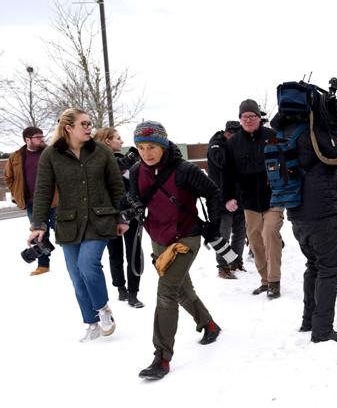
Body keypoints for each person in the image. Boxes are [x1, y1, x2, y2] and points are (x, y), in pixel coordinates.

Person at [129, 121, 222, 380]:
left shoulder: (184, 170)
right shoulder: (137, 171)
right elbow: (134, 196)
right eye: (141, 147)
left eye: (152, 147)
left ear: (164, 145)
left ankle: (162, 357)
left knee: (166, 292)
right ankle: (210, 325)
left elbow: (213, 193)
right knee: (182, 290)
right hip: (158, 239)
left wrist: (214, 228)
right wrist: (134, 205)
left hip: (185, 239)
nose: (146, 153)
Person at [27, 108, 126, 342]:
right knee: (76, 275)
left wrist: (121, 217)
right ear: (68, 127)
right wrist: (38, 224)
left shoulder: (101, 151)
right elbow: (43, 191)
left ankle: (103, 310)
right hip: (68, 223)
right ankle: (90, 321)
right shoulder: (51, 155)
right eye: (84, 124)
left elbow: (116, 186)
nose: (90, 127)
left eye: (90, 123)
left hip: (100, 220)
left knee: (87, 264)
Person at [270, 111, 337, 343]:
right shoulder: (314, 132)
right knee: (330, 269)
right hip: (322, 214)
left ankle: (309, 320)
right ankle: (322, 330)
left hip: (298, 212)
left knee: (313, 265)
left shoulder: (286, 132)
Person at [223, 99, 284, 298]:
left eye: (252, 116)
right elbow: (228, 173)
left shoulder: (273, 137)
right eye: (244, 116)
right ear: (240, 119)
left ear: (259, 118)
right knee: (256, 240)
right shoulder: (233, 143)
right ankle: (265, 280)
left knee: (270, 234)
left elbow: (286, 163)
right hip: (249, 201)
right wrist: (229, 197)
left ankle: (274, 281)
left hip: (273, 198)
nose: (248, 120)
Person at [93, 127, 144, 308]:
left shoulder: (127, 162)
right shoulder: (99, 161)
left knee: (134, 253)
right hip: (112, 214)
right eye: (118, 138)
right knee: (115, 254)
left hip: (133, 213)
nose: (122, 142)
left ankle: (133, 293)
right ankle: (121, 288)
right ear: (107, 140)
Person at [5, 126, 57, 276]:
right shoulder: (16, 156)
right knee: (39, 235)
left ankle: (76, 260)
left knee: (61, 230)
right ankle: (43, 265)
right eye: (37, 137)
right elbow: (8, 178)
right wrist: (17, 192)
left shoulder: (50, 153)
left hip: (53, 201)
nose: (41, 139)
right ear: (27, 139)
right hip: (32, 203)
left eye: (42, 136)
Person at [207, 120, 246, 279]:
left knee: (240, 233)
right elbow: (222, 162)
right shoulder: (216, 145)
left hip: (240, 197)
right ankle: (222, 266)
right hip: (221, 198)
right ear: (227, 133)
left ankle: (236, 262)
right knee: (223, 233)